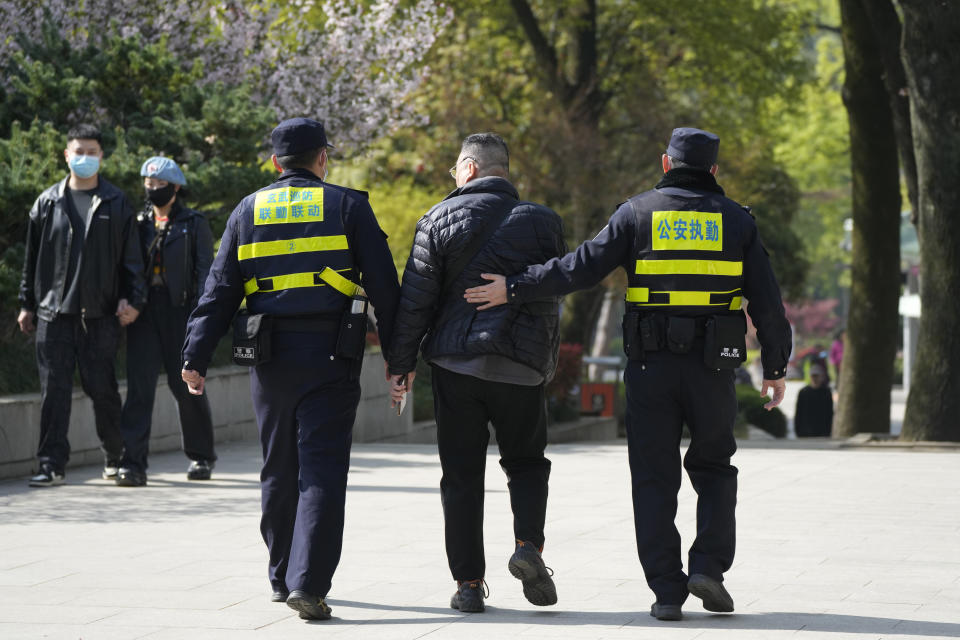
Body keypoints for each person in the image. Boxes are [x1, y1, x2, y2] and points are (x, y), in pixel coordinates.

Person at [463, 127, 792, 621]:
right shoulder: (738, 222)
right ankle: (708, 569)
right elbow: (767, 300)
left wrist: (514, 286)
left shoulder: (637, 213)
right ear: (714, 171)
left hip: (650, 366)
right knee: (715, 469)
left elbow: (579, 268)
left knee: (653, 477)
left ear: (666, 163)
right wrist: (776, 365)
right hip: (713, 369)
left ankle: (666, 591)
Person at [180, 118, 399, 621]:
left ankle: (281, 576)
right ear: (322, 158)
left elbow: (218, 294)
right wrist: (399, 357)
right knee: (321, 469)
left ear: (276, 162)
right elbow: (386, 291)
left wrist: (194, 357)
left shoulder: (246, 209)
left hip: (268, 359)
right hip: (331, 354)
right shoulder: (348, 206)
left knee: (278, 467)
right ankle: (308, 582)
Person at [387, 133, 566, 613]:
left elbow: (415, 303)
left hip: (456, 367)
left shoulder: (437, 219)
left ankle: (469, 585)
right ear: (503, 171)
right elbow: (555, 287)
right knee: (526, 464)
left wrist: (400, 366)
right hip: (521, 370)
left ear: (467, 168)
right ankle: (529, 547)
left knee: (462, 477)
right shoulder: (544, 223)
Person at [18, 123, 146, 488]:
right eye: (79, 151)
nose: (84, 158)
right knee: (53, 392)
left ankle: (115, 454)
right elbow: (31, 259)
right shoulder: (46, 203)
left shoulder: (116, 203)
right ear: (66, 154)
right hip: (52, 315)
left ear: (101, 156)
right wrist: (26, 303)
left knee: (102, 389)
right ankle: (50, 463)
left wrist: (134, 301)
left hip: (101, 315)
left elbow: (132, 261)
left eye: (91, 152)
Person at [115, 157, 216, 487]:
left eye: (160, 185)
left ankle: (201, 456)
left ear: (175, 187)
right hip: (145, 311)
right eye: (148, 184)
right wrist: (127, 300)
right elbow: (128, 266)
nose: (153, 190)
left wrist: (201, 315)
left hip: (180, 311)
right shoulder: (139, 221)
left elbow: (204, 270)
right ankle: (132, 463)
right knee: (140, 388)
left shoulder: (193, 223)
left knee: (186, 385)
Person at [794, 362, 833, 437]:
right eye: (813, 376)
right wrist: (797, 430)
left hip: (822, 432)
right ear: (810, 377)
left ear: (821, 377)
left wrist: (828, 431)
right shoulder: (803, 392)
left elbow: (829, 413)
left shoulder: (826, 392)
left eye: (817, 376)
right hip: (805, 432)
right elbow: (798, 413)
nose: (815, 378)